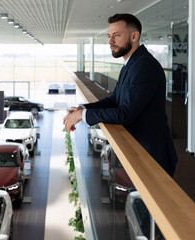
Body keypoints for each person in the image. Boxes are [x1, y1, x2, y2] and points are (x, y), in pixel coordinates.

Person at [63, 13, 178, 177]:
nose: (110, 42)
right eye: (109, 36)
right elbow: (114, 100)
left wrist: (84, 115)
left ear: (134, 36)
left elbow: (125, 114)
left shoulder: (144, 66)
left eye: (116, 36)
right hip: (140, 150)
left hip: (153, 155)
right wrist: (82, 109)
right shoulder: (131, 64)